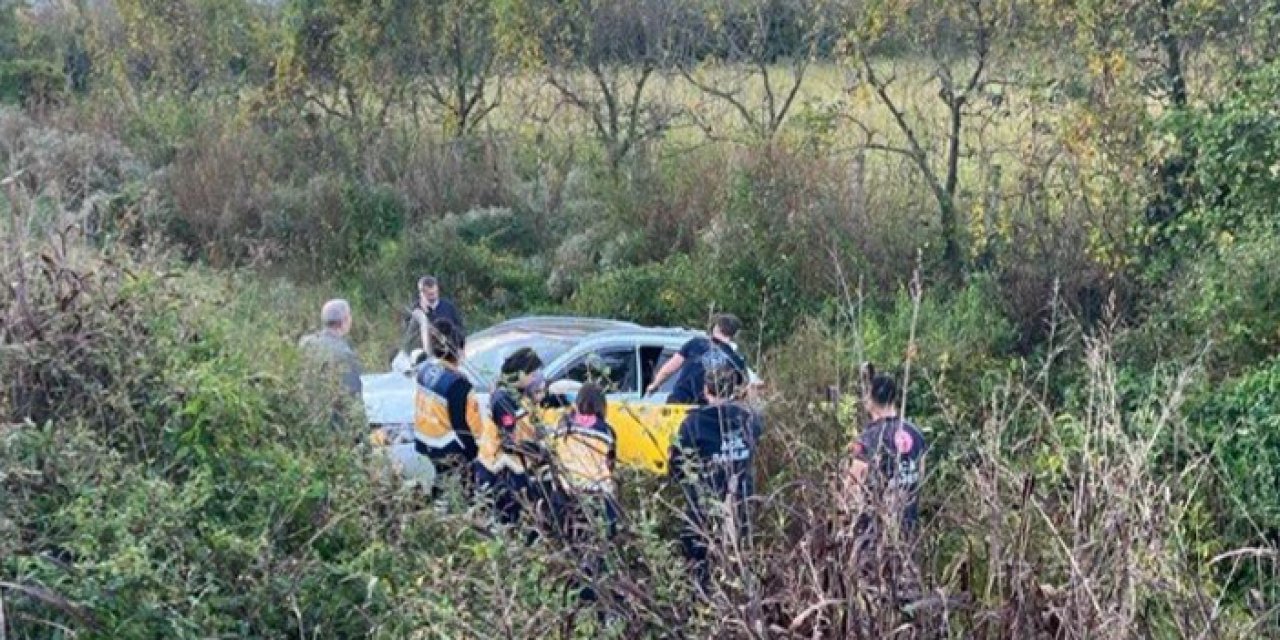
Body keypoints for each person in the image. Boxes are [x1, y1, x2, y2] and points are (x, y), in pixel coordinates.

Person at [668, 365, 762, 587]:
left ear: (705, 390)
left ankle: (702, 593)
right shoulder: (751, 419)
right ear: (734, 389)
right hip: (742, 501)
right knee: (742, 553)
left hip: (704, 504)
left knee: (696, 554)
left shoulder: (694, 423)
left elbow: (677, 465)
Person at [547, 383, 619, 605]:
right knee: (599, 551)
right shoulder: (606, 431)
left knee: (572, 549)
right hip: (597, 495)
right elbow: (610, 465)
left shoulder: (563, 425)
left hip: (566, 494)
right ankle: (596, 597)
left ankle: (574, 597)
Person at [847, 369, 927, 537]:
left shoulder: (868, 439)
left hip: (874, 533)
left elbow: (852, 486)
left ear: (869, 400)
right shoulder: (916, 434)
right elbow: (920, 478)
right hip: (908, 530)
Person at [476, 347, 547, 525]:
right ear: (521, 374)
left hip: (514, 466)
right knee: (509, 519)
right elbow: (510, 441)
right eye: (532, 375)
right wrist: (538, 450)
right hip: (499, 469)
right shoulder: (503, 399)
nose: (534, 379)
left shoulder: (515, 392)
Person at [413, 317, 482, 495]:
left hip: (425, 441)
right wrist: (475, 455)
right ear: (458, 351)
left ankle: (438, 505)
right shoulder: (459, 385)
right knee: (462, 490)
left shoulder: (425, 370)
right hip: (446, 447)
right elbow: (463, 429)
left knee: (441, 486)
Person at [646, 313, 747, 405]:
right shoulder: (735, 360)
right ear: (735, 334)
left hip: (680, 400)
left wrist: (655, 384)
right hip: (708, 409)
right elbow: (742, 390)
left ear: (716, 328)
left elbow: (671, 367)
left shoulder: (695, 343)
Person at [298, 299, 364, 430]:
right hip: (330, 425)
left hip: (303, 418)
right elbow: (351, 399)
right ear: (345, 321)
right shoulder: (344, 354)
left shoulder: (306, 344)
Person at [401, 276, 465, 356]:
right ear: (421, 293)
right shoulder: (414, 314)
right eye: (429, 294)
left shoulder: (448, 306)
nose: (433, 295)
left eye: (434, 292)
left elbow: (460, 329)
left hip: (451, 354)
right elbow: (408, 343)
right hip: (428, 358)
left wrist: (460, 347)